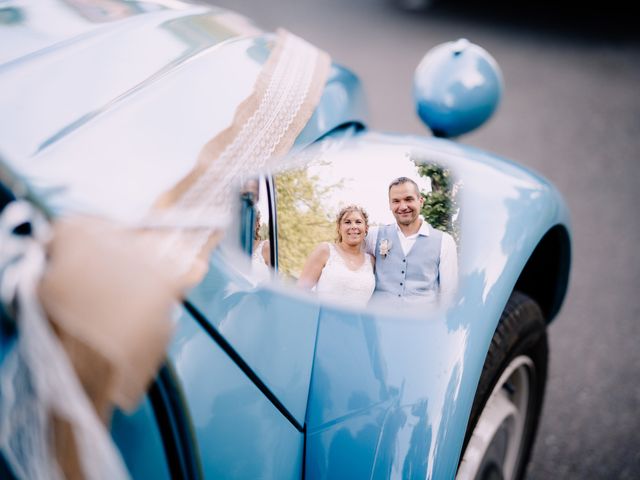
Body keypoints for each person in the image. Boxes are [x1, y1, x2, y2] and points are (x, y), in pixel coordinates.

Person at [366, 177, 457, 305]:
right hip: (378, 320)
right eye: (396, 201)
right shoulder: (373, 235)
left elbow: (448, 293)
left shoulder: (444, 241)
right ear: (390, 205)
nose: (403, 207)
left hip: (421, 322)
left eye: (409, 199)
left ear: (421, 201)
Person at [297, 205, 375, 307]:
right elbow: (300, 292)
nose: (353, 226)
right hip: (326, 320)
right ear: (339, 227)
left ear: (366, 228)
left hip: (358, 322)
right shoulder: (325, 251)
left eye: (358, 222)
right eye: (347, 222)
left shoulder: (371, 261)